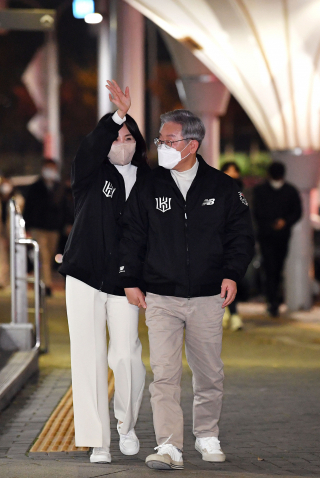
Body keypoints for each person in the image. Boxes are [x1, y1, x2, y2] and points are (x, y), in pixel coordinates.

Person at [118, 110, 254, 470]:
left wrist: (232, 274)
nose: (160, 145)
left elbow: (241, 237)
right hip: (161, 297)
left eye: (168, 140)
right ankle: (169, 446)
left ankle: (207, 435)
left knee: (209, 373)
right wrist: (129, 279)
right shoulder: (149, 185)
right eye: (160, 139)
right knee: (164, 375)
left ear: (191, 145)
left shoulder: (222, 187)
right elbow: (131, 234)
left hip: (209, 297)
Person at [58, 80, 150, 464]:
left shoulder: (150, 181)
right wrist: (118, 116)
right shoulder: (90, 175)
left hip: (125, 283)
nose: (122, 142)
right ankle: (98, 440)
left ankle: (126, 425)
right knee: (88, 356)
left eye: (129, 137)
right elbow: (90, 148)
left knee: (126, 355)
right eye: (117, 136)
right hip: (83, 276)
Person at [252, 162, 302, 316]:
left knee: (274, 268)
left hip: (275, 236)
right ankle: (273, 301)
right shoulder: (289, 191)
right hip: (271, 236)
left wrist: (283, 222)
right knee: (272, 268)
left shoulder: (261, 191)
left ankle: (273, 300)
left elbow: (257, 212)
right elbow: (297, 212)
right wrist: (283, 222)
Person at [23, 159, 65, 296]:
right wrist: (28, 226)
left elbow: (65, 208)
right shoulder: (35, 187)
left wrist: (65, 224)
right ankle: (46, 285)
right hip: (38, 227)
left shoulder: (59, 187)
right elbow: (28, 208)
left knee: (49, 255)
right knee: (43, 256)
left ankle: (40, 281)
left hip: (54, 228)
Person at [220, 161, 246, 331]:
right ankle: (228, 312)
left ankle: (233, 313)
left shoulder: (242, 194)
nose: (231, 174)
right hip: (218, 241)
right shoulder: (214, 190)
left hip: (235, 242)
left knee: (232, 277)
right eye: (228, 171)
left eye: (234, 171)